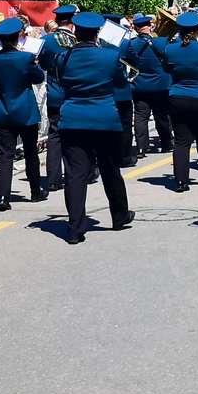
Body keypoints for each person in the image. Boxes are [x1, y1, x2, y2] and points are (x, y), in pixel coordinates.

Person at [55, 12, 135, 244]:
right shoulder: (110, 56)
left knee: (75, 174)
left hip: (73, 118)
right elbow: (120, 82)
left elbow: (62, 81)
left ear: (76, 32)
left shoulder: (63, 57)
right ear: (97, 33)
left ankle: (75, 228)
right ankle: (119, 215)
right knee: (110, 169)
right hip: (104, 118)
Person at [0, 17, 48, 211]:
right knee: (30, 152)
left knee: (6, 155)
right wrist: (34, 63)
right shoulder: (25, 57)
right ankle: (35, 191)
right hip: (24, 110)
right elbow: (38, 77)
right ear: (17, 37)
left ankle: (3, 197)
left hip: (3, 109)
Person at [162, 11, 198, 192]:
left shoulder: (170, 49)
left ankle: (181, 180)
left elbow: (167, 68)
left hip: (178, 96)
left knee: (181, 141)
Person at [38, 4, 79, 191]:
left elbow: (43, 64)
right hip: (74, 94)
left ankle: (53, 179)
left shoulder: (46, 40)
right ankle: (77, 174)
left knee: (54, 136)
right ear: (72, 22)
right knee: (77, 136)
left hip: (55, 93)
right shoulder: (78, 40)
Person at [124, 14, 173, 157]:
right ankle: (166, 143)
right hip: (160, 85)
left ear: (136, 28)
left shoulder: (131, 44)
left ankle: (141, 148)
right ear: (149, 26)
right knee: (161, 115)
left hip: (140, 85)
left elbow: (128, 61)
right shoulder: (161, 42)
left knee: (140, 116)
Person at [103, 13, 137, 168]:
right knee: (125, 124)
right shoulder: (125, 43)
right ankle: (124, 156)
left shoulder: (98, 43)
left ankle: (107, 156)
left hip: (104, 90)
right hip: (121, 90)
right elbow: (135, 60)